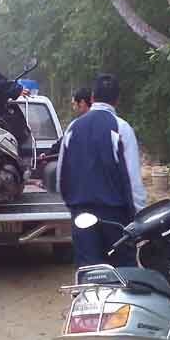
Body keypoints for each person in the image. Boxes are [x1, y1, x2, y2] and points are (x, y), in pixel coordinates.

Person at [58, 73, 147, 267]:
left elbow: (61, 175)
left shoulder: (72, 128)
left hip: (81, 214)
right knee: (123, 272)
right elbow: (133, 181)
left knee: (89, 271)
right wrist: (140, 217)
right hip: (115, 217)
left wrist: (72, 206)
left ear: (92, 97)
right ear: (117, 100)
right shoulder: (121, 128)